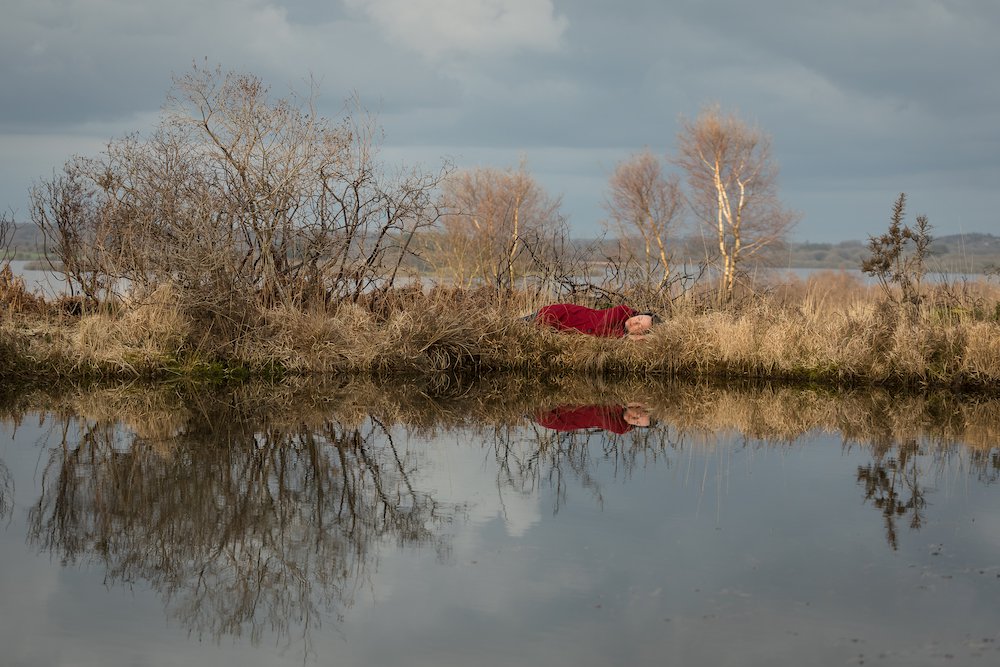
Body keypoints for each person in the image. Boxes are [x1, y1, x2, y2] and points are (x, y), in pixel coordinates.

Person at [522, 303, 659, 339]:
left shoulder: (620, 331)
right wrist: (626, 339)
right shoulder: (621, 311)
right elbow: (599, 330)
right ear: (638, 314)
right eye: (639, 318)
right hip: (558, 315)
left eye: (640, 326)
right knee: (516, 326)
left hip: (558, 324)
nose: (635, 323)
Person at [532, 403, 652, 434]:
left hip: (558, 418)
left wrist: (624, 405)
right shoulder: (619, 413)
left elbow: (600, 412)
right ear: (640, 407)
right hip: (561, 414)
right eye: (639, 415)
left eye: (636, 422)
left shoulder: (619, 427)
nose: (634, 417)